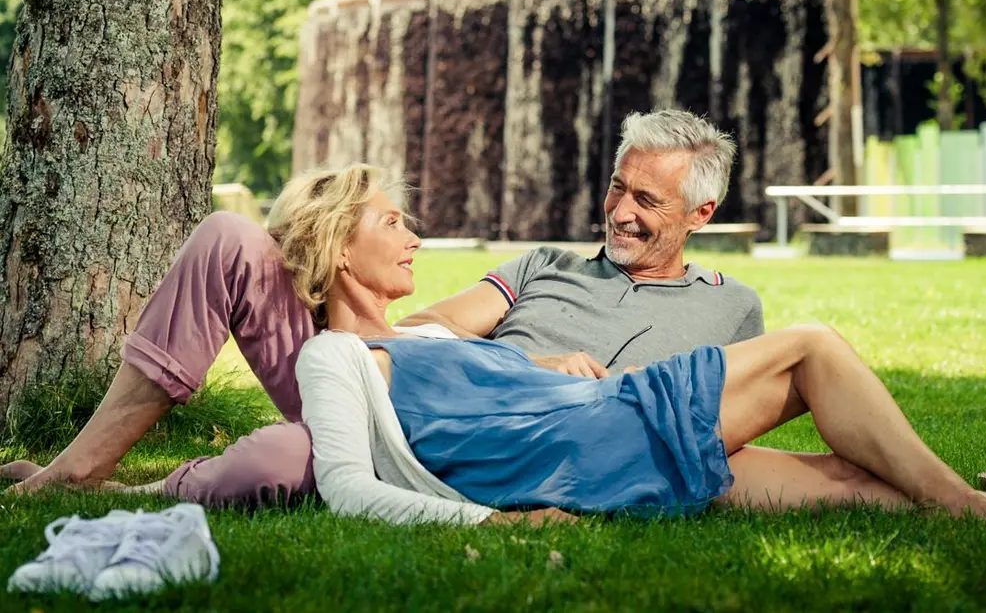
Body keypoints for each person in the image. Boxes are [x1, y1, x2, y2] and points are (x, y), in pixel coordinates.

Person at [292, 166, 986, 525]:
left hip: (593, 435)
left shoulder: (411, 334)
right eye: (391, 221)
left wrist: (532, 361)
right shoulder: (334, 356)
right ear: (339, 248)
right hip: (596, 436)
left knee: (857, 489)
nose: (413, 234)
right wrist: (498, 522)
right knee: (809, 348)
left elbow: (469, 367)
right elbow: (347, 488)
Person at [2, 110, 764, 507]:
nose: (620, 212)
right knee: (230, 236)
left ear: (702, 213)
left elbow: (702, 421)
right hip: (411, 382)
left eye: (646, 200)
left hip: (531, 433)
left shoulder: (733, 311)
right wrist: (526, 358)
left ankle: (121, 489)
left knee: (286, 458)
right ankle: (81, 464)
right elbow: (430, 330)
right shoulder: (543, 265)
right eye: (617, 189)